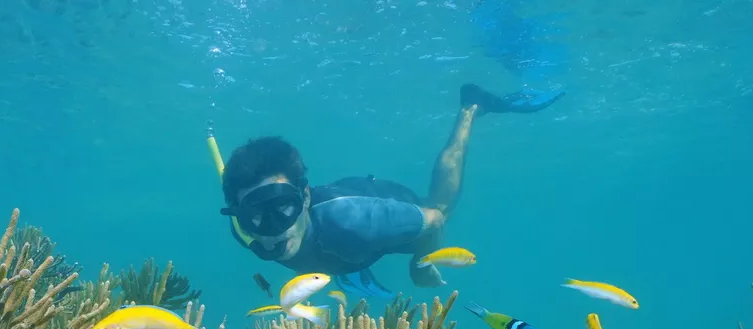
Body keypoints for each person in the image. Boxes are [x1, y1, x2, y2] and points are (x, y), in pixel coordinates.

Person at [216, 84, 562, 295]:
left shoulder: (359, 223)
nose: (274, 231)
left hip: (382, 204)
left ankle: (472, 107)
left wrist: (421, 266)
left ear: (304, 198)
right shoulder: (241, 231)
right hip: (347, 244)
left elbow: (435, 220)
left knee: (442, 205)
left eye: (284, 209)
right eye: (255, 217)